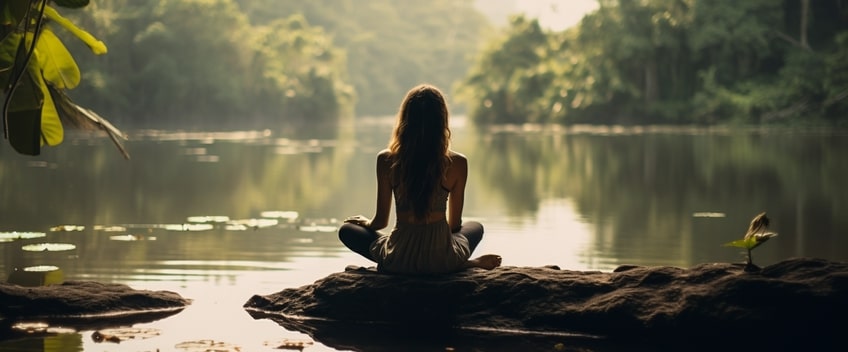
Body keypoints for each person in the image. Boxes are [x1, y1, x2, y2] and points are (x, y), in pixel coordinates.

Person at [338, 84, 502, 275]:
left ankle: (387, 268)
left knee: (347, 230)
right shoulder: (457, 162)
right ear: (442, 121)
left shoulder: (386, 159)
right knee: (475, 227)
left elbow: (380, 222)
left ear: (405, 119)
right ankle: (463, 264)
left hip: (398, 257)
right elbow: (455, 225)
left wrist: (366, 223)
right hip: (441, 260)